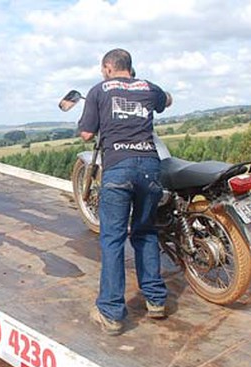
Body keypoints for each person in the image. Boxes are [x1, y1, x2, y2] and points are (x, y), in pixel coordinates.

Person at [78, 49, 172, 336]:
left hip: (118, 168)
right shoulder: (148, 86)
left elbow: (86, 135)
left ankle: (111, 312)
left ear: (108, 68)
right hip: (150, 168)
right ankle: (156, 301)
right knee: (145, 232)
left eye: (102, 69)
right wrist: (161, 98)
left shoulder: (98, 90)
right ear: (129, 68)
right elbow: (166, 100)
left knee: (113, 239)